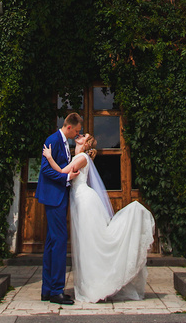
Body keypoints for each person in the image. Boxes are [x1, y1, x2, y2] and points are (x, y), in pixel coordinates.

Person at [58, 127, 156, 304]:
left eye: (83, 136)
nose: (79, 135)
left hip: (85, 201)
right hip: (81, 200)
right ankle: (92, 283)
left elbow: (63, 172)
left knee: (90, 242)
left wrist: (48, 159)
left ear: (86, 143)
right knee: (87, 242)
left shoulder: (81, 157)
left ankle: (95, 284)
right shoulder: (79, 156)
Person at [35, 112, 79, 305]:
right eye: (76, 131)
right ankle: (56, 291)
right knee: (60, 241)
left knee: (52, 243)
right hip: (54, 197)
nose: (77, 134)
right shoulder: (53, 140)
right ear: (69, 127)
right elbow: (45, 169)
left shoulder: (63, 141)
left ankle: (47, 290)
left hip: (59, 196)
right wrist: (66, 177)